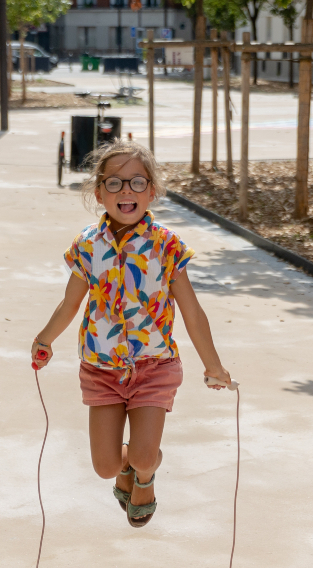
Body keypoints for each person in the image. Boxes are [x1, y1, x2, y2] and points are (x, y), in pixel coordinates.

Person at [31, 140, 231, 528]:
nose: (127, 191)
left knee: (142, 456)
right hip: (101, 370)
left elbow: (191, 310)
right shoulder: (88, 245)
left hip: (154, 367)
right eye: (115, 183)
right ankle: (128, 471)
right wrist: (44, 339)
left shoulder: (167, 246)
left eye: (138, 182)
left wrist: (214, 365)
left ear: (152, 191)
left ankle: (144, 475)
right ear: (98, 192)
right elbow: (70, 303)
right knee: (105, 467)